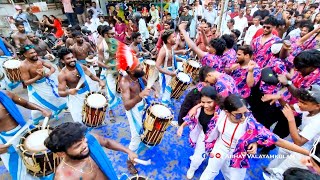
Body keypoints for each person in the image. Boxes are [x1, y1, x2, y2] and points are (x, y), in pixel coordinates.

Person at [186, 94, 308, 180]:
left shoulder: (250, 123)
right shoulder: (220, 114)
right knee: (210, 171)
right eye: (238, 115)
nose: (243, 117)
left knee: (234, 177)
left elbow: (277, 140)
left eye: (245, 113)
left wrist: (307, 153)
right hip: (220, 147)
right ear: (227, 112)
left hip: (238, 152)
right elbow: (207, 100)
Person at [44, 122, 138, 179]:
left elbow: (106, 142)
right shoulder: (65, 177)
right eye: (78, 146)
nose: (85, 145)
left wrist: (128, 151)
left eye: (83, 139)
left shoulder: (90, 140)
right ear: (61, 153)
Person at [264, 85, 320, 179]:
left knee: (287, 166)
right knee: (282, 152)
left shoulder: (317, 121)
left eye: (303, 103)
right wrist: (280, 98)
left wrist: (291, 119)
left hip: (308, 151)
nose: (299, 104)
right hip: (301, 135)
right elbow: (288, 108)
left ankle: (276, 175)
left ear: (317, 106)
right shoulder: (309, 107)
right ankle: (271, 170)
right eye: (299, 101)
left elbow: (299, 142)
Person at [0, 90, 51, 180]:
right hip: (7, 141)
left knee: (40, 163)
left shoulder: (5, 94)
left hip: (25, 132)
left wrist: (42, 109)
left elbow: (26, 103)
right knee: (22, 173)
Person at [117, 44, 151, 174]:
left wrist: (152, 88)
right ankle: (129, 161)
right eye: (139, 67)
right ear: (131, 71)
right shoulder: (125, 82)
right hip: (133, 109)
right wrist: (140, 96)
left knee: (146, 128)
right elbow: (126, 105)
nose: (142, 68)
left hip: (142, 105)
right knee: (136, 136)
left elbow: (146, 83)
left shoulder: (139, 75)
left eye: (140, 65)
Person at [19, 45, 67, 123]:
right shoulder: (23, 65)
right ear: (25, 55)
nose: (34, 54)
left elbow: (52, 68)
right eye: (31, 53)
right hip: (36, 87)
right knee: (37, 107)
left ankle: (61, 109)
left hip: (46, 82)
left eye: (34, 52)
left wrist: (49, 73)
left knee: (57, 97)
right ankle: (37, 122)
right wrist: (38, 76)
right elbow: (26, 82)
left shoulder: (38, 59)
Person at [57, 48, 105, 124]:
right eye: (68, 58)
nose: (72, 60)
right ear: (63, 61)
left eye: (72, 57)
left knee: (93, 110)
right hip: (76, 97)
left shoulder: (80, 66)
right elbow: (60, 92)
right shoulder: (62, 75)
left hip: (87, 92)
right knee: (79, 118)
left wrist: (100, 81)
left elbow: (91, 75)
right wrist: (69, 91)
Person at [97, 26, 122, 122]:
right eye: (111, 34)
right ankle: (111, 110)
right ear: (105, 35)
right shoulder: (101, 46)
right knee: (111, 91)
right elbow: (99, 62)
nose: (114, 35)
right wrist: (109, 67)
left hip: (120, 69)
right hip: (110, 71)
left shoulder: (116, 42)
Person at [155, 30, 177, 106]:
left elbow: (172, 58)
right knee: (165, 93)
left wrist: (182, 60)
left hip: (171, 73)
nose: (176, 38)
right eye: (173, 37)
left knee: (169, 92)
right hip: (166, 75)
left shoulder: (171, 47)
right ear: (168, 40)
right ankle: (163, 108)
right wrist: (170, 73)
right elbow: (157, 66)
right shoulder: (163, 51)